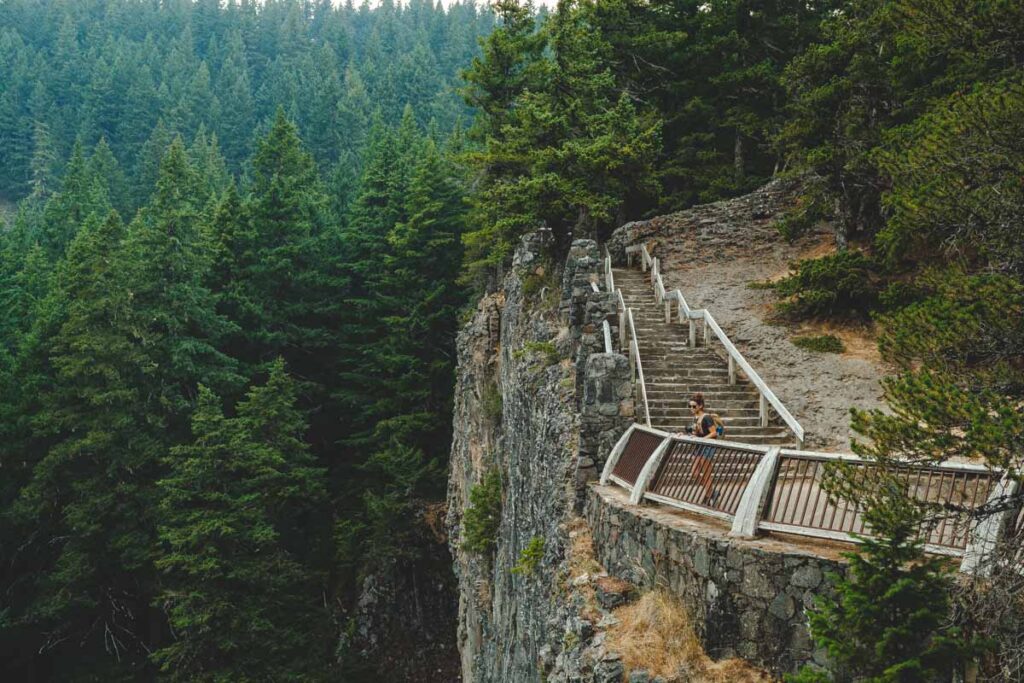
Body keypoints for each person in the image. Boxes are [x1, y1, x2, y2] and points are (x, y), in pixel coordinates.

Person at [675, 392, 719, 506]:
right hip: (699, 447)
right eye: (690, 406)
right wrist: (683, 434)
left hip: (707, 447)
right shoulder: (695, 418)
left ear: (700, 406)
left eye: (694, 406)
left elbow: (714, 433)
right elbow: (695, 433)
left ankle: (710, 497)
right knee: (694, 472)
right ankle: (712, 493)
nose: (691, 408)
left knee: (706, 474)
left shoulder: (706, 417)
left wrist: (703, 439)